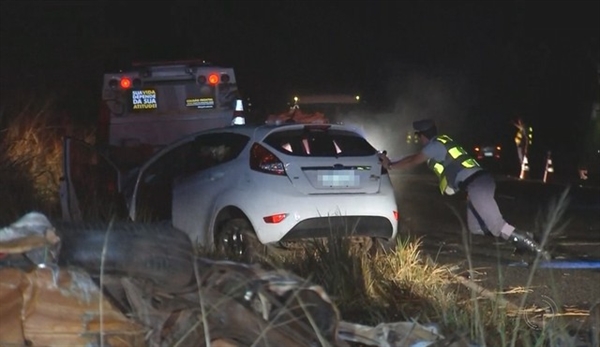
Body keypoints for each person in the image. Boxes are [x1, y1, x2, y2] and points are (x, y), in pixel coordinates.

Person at [379, 119, 550, 259]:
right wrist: (390, 160)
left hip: (477, 184)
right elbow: (413, 158)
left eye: (418, 136)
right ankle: (524, 237)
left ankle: (536, 249)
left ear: (423, 135)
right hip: (476, 184)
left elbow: (413, 160)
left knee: (496, 225)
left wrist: (391, 166)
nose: (418, 140)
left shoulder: (435, 145)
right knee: (476, 228)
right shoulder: (441, 143)